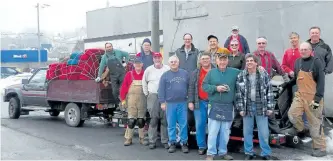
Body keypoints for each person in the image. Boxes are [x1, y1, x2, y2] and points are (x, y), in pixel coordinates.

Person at [285, 42, 327, 157]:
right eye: (301, 49)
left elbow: (321, 82)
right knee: (292, 114)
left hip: (313, 98)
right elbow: (296, 78)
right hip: (300, 95)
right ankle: (302, 129)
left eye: (305, 49)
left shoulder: (317, 62)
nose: (303, 51)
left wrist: (317, 99)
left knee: (315, 122)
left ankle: (320, 148)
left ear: (310, 51)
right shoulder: (298, 62)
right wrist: (288, 84)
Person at [235, 54, 274, 160]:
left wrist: (270, 107)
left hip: (261, 106)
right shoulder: (241, 75)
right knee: (247, 132)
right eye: (247, 61)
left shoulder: (263, 74)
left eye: (251, 60)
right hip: (247, 107)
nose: (249, 62)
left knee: (264, 132)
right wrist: (241, 109)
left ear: (256, 62)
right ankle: (249, 152)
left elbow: (269, 91)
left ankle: (265, 153)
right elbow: (238, 94)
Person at [203, 53, 240, 160]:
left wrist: (258, 68)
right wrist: (215, 88)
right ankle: (210, 153)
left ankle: (223, 152)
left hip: (228, 106)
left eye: (224, 60)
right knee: (213, 131)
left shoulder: (234, 72)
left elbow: (247, 72)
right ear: (217, 61)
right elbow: (204, 86)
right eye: (220, 60)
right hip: (215, 105)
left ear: (227, 61)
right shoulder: (211, 73)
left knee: (225, 131)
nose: (222, 62)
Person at [158, 55, 190, 153]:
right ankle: (172, 143)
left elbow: (190, 87)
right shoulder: (165, 75)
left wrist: (189, 100)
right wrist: (162, 102)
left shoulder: (185, 73)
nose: (173, 63)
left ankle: (184, 143)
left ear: (178, 62)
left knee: (183, 124)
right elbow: (161, 90)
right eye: (171, 62)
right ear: (169, 63)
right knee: (171, 124)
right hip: (170, 103)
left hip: (183, 103)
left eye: (175, 61)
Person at [188, 52, 215, 155]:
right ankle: (202, 146)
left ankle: (213, 146)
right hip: (199, 102)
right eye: (203, 59)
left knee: (214, 125)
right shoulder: (195, 73)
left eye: (207, 58)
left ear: (211, 59)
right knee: (200, 124)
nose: (205, 60)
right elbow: (191, 88)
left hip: (213, 102)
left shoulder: (216, 71)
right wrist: (190, 101)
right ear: (200, 61)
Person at [142, 52, 170, 149]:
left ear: (162, 58)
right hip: (153, 96)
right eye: (155, 58)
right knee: (153, 119)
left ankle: (165, 141)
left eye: (159, 57)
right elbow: (144, 82)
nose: (157, 59)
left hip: (165, 97)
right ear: (153, 59)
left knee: (164, 120)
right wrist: (147, 94)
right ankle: (152, 141)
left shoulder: (167, 68)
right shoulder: (148, 70)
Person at [281, 32, 308, 126]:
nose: (293, 40)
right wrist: (289, 71)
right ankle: (292, 121)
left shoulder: (303, 50)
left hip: (301, 80)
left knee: (300, 100)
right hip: (290, 80)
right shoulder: (287, 52)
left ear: (298, 38)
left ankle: (302, 122)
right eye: (291, 38)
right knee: (290, 100)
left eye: (295, 38)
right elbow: (283, 65)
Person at [119, 57, 146, 146]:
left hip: (143, 100)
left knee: (141, 120)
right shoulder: (129, 75)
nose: (138, 65)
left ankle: (142, 138)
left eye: (139, 63)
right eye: (136, 63)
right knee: (131, 120)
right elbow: (123, 88)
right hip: (131, 100)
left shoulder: (145, 74)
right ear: (134, 65)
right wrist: (123, 100)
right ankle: (128, 139)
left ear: (142, 64)